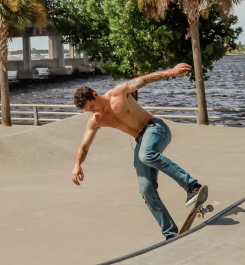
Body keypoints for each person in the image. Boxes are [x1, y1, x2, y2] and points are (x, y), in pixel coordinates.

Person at [71, 63, 204, 239]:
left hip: (156, 128)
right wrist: (76, 165)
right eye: (89, 110)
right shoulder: (95, 120)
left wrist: (172, 72)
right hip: (140, 140)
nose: (93, 112)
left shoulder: (118, 92)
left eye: (92, 106)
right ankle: (170, 233)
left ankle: (192, 185)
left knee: (145, 154)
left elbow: (144, 80)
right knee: (146, 190)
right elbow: (84, 146)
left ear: (95, 94)